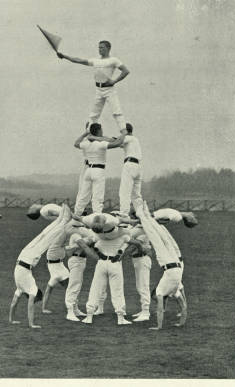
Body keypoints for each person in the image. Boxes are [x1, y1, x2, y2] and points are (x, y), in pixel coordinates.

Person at [9, 205, 71, 328]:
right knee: (44, 235)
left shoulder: (30, 288)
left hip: (29, 258)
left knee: (47, 238)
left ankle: (62, 220)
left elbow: (27, 305)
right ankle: (60, 220)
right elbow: (14, 304)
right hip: (22, 256)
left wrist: (30, 324)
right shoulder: (21, 288)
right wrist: (12, 319)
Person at [134, 200, 187, 330]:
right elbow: (161, 310)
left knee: (161, 234)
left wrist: (181, 322)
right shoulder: (162, 290)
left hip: (176, 263)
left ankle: (144, 213)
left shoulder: (173, 290)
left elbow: (184, 307)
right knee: (155, 235)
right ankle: (143, 213)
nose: (157, 298)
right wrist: (160, 326)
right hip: (168, 262)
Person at [57, 40, 130, 133]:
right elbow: (79, 60)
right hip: (99, 90)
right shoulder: (96, 60)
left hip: (109, 89)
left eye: (102, 47)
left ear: (108, 48)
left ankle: (124, 132)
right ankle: (88, 132)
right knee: (94, 114)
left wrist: (114, 81)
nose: (99, 49)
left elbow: (125, 71)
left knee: (116, 111)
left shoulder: (114, 60)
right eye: (99, 47)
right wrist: (64, 56)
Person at [77, 229, 142, 325]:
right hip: (115, 263)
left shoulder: (98, 236)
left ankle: (89, 316)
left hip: (101, 263)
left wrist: (96, 253)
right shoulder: (122, 236)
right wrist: (123, 255)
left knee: (95, 288)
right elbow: (138, 243)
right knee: (117, 290)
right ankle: (120, 318)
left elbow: (82, 243)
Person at [73, 124, 125, 216]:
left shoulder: (86, 144)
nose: (102, 131)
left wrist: (85, 134)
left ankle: (77, 214)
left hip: (88, 170)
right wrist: (124, 134)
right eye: (101, 130)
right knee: (98, 196)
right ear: (98, 131)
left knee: (83, 195)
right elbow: (117, 143)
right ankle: (97, 215)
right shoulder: (100, 144)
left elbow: (76, 143)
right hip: (98, 170)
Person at [63, 225, 96, 321]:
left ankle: (75, 309)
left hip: (81, 260)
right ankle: (70, 311)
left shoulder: (84, 234)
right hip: (76, 260)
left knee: (78, 285)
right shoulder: (75, 235)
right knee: (74, 285)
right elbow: (84, 245)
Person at [118, 123, 143, 216]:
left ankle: (124, 214)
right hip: (138, 166)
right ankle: (140, 213)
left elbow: (116, 142)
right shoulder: (134, 139)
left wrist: (100, 139)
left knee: (124, 191)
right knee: (136, 194)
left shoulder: (128, 138)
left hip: (130, 164)